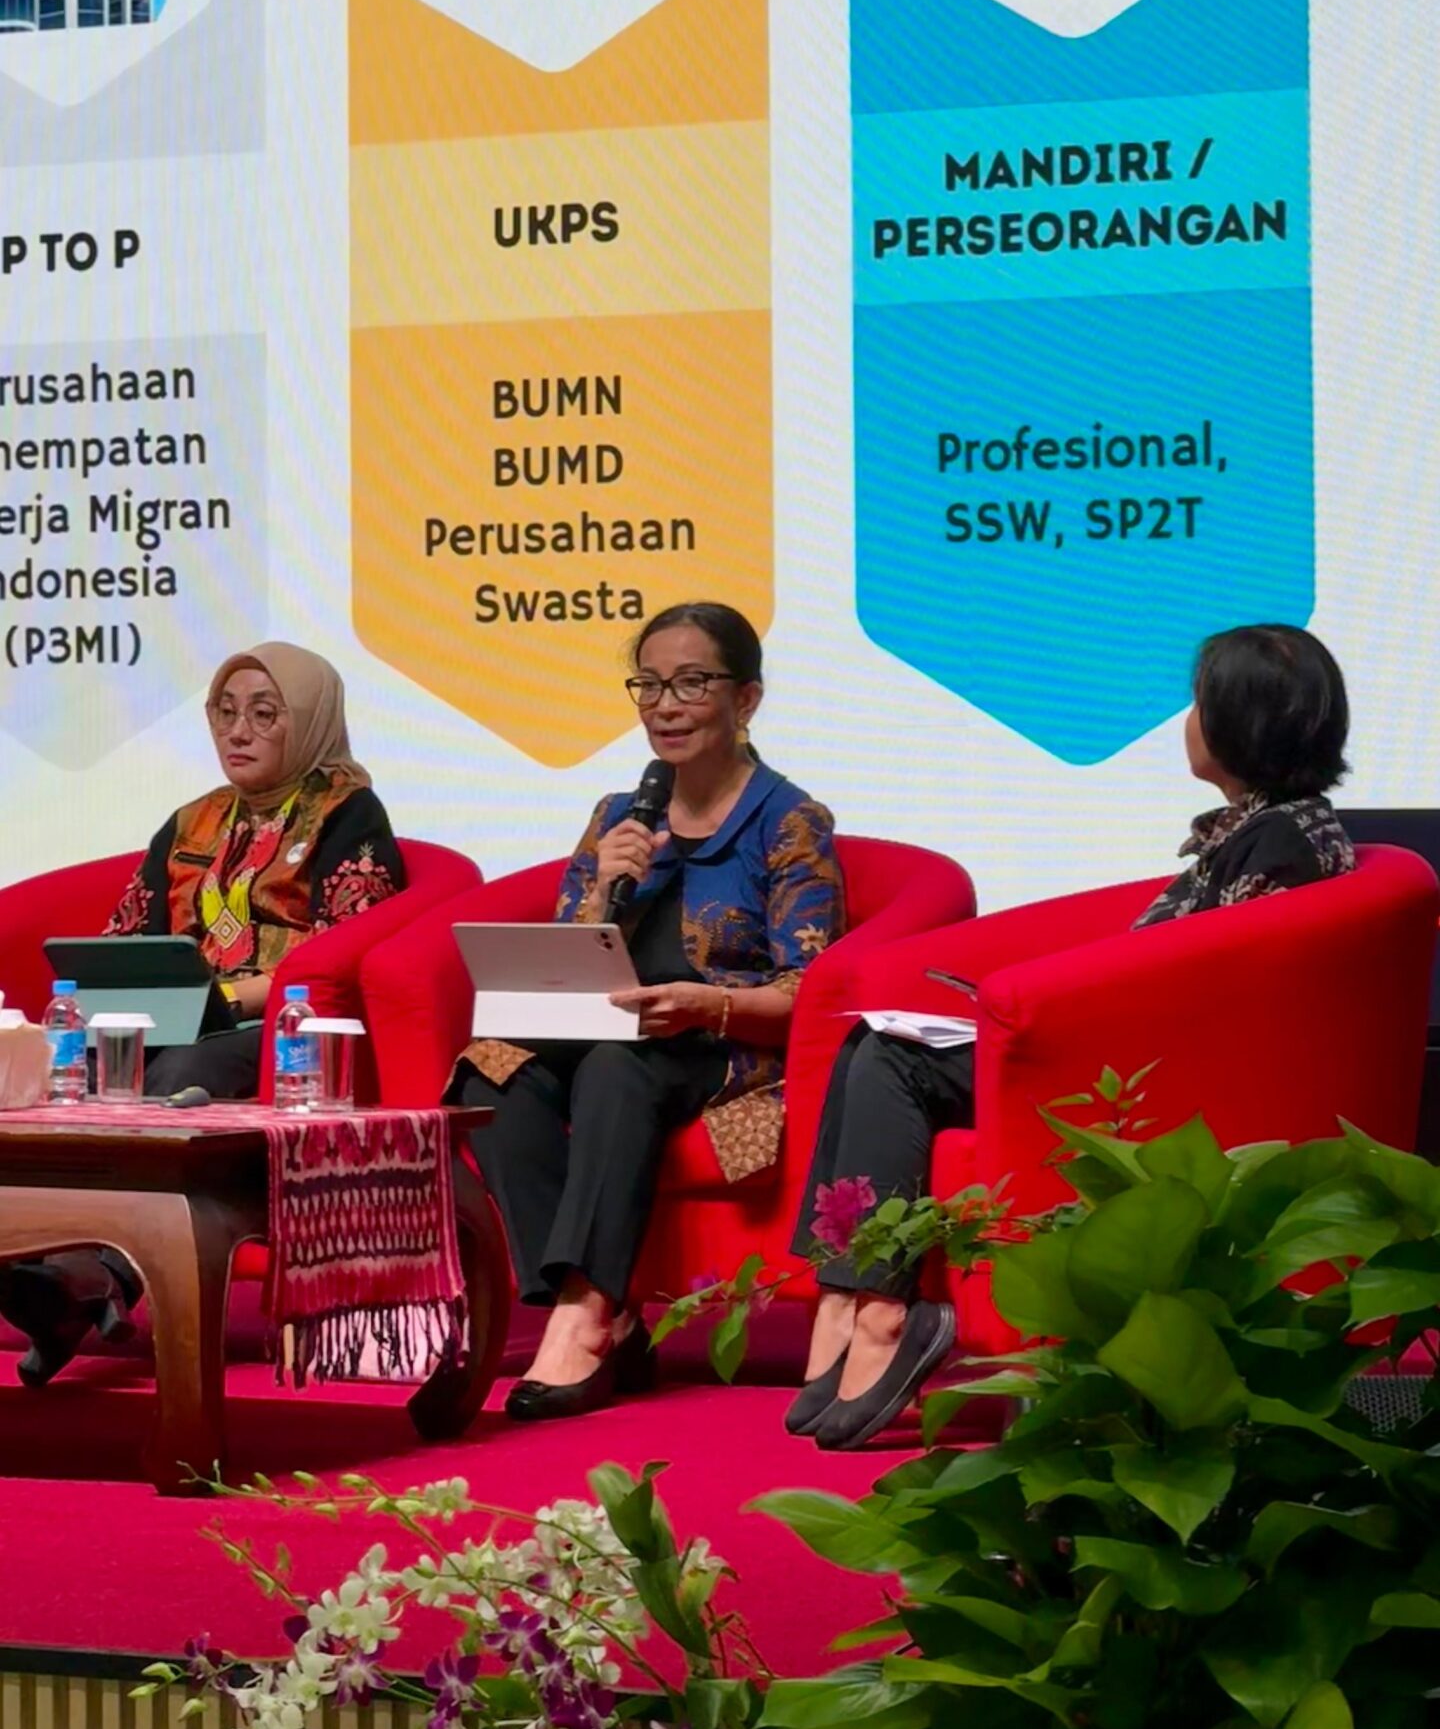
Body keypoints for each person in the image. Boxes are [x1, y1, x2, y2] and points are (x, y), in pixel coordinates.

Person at [789, 624, 1354, 1453]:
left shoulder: (1282, 842)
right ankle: (846, 1297)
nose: (1187, 723)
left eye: (1199, 704)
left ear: (1243, 721)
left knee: (893, 1059)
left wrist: (1058, 1008)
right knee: (869, 1045)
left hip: (1148, 1078)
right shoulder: (1266, 827)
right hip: (1125, 1045)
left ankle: (881, 1311)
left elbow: (1211, 992)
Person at [451, 602, 844, 1423]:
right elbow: (569, 958)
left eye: (692, 684)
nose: (666, 706)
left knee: (615, 1068)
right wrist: (603, 888)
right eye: (650, 685)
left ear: (746, 699)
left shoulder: (790, 821)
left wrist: (710, 1005)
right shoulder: (617, 814)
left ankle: (587, 1315)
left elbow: (812, 989)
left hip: (721, 1041)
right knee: (492, 1068)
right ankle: (599, 1308)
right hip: (617, 1023)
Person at [0, 642, 405, 1387]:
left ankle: (93, 1277)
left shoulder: (347, 812)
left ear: (308, 721)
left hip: (270, 1030)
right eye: (224, 713)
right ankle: (46, 1261)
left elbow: (345, 945)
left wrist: (228, 997)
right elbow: (130, 935)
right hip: (172, 1015)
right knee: (67, 1064)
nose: (238, 732)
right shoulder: (195, 820)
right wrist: (123, 989)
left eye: (264, 714)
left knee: (179, 1072)